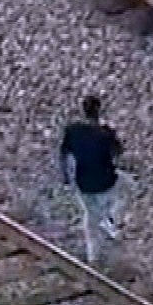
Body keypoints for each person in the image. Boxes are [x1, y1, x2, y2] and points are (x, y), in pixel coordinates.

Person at [58, 96, 124, 265]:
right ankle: (109, 220)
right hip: (106, 182)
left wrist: (65, 177)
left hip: (83, 183)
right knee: (127, 188)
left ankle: (92, 256)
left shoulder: (73, 131)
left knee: (89, 216)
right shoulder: (105, 133)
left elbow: (64, 155)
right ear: (99, 110)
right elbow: (118, 152)